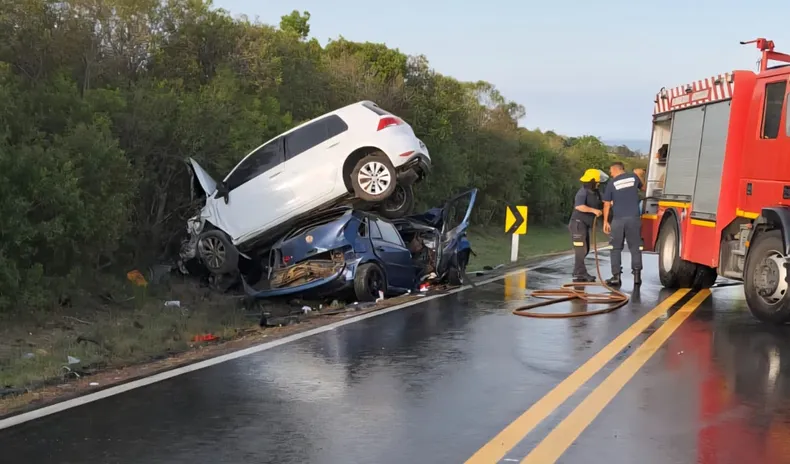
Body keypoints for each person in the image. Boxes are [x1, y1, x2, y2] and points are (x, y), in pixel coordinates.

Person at [602, 161, 645, 287]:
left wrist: (605, 221)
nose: (610, 174)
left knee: (615, 248)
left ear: (616, 170)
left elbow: (606, 204)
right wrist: (640, 175)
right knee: (635, 248)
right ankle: (637, 276)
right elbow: (643, 188)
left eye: (611, 171)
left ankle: (616, 277)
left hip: (618, 220)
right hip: (634, 219)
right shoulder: (633, 177)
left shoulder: (612, 183)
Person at [569, 168, 609, 282]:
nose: (598, 183)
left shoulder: (595, 192)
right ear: (592, 181)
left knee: (585, 250)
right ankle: (581, 273)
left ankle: (577, 271)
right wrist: (594, 211)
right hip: (577, 225)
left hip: (584, 226)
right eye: (597, 182)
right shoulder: (582, 192)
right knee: (581, 249)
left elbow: (605, 200)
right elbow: (579, 206)